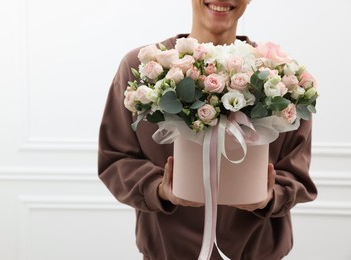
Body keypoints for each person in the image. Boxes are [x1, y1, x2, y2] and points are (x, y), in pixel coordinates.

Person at [98, 0, 317, 259]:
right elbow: (115, 159)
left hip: (256, 252)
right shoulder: (142, 69)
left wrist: (271, 196)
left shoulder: (283, 77)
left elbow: (296, 171)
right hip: (168, 252)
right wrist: (159, 189)